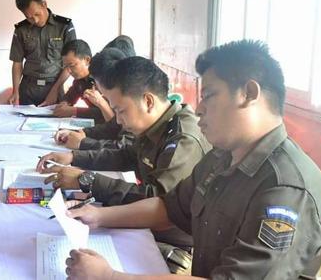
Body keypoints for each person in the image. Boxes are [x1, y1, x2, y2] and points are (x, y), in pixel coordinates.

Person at [64, 40, 321, 279]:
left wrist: (111, 277)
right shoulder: (221, 158)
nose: (199, 108)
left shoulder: (285, 190)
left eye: (209, 96)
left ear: (250, 94)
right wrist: (99, 216)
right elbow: (170, 208)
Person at [38, 57, 209, 260]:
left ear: (148, 101)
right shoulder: (155, 126)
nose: (118, 120)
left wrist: (88, 180)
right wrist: (73, 157)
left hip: (174, 243)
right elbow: (125, 155)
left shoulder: (183, 140)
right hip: (147, 228)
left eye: (121, 111)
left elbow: (157, 200)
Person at [8, 0, 76, 106]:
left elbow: (70, 64)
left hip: (54, 86)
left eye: (37, 14)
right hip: (28, 89)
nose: (35, 20)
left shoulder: (64, 26)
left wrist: (55, 90)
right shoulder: (21, 30)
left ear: (44, 4)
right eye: (28, 17)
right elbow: (17, 63)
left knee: (55, 124)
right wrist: (15, 91)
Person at [55, 47, 131, 151]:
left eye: (72, 65)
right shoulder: (85, 81)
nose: (97, 88)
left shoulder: (131, 99)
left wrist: (83, 143)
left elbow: (123, 148)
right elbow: (113, 127)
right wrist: (80, 133)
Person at [52, 39, 111, 123]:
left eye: (72, 65)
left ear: (87, 60)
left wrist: (74, 111)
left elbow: (108, 113)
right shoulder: (80, 80)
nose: (69, 71)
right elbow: (70, 96)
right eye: (66, 67)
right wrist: (64, 103)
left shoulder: (102, 79)